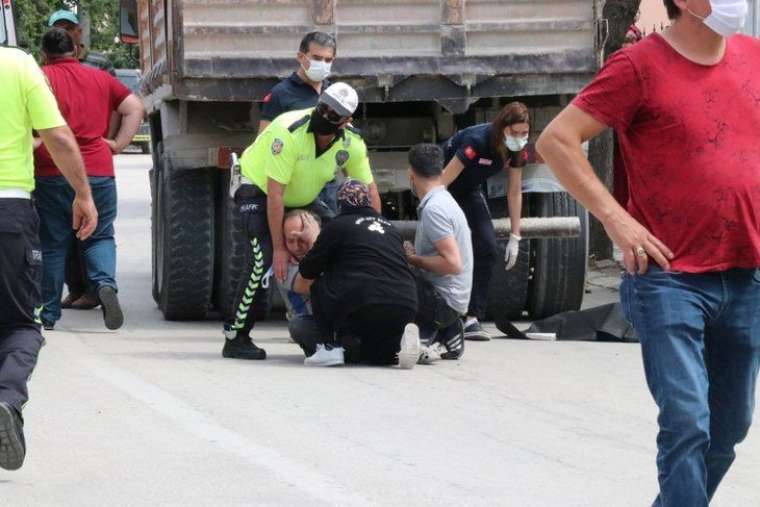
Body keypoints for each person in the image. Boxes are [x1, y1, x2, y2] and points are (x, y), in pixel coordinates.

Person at [536, 1, 760, 505]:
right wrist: (616, 218)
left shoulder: (754, 57)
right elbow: (558, 140)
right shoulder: (639, 65)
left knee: (729, 428)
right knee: (686, 421)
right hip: (669, 277)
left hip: (746, 275)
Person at [222, 82, 381, 360]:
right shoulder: (289, 131)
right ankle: (236, 336)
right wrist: (281, 248)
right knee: (264, 257)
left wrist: (377, 235)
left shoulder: (351, 143)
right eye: (324, 108)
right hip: (257, 187)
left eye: (335, 114)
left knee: (342, 241)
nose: (327, 116)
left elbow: (370, 192)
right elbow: (275, 194)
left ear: (346, 121)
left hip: (302, 193)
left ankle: (340, 318)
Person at [0, 44, 97, 471]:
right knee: (23, 324)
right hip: (9, 211)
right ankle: (6, 399)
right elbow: (57, 135)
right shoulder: (16, 64)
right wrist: (83, 193)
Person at [33, 28, 144, 331]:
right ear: (77, 50)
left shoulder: (40, 78)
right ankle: (105, 284)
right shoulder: (100, 78)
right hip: (98, 169)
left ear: (44, 54)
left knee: (53, 242)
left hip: (52, 171)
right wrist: (119, 143)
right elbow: (135, 107)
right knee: (100, 234)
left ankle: (49, 313)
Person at [291, 179, 420, 368]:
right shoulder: (390, 228)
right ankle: (401, 346)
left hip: (360, 306)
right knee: (377, 351)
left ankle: (330, 348)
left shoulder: (338, 225)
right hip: (405, 306)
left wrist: (314, 240)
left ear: (340, 203)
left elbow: (308, 270)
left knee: (319, 283)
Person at [439, 102, 530, 341]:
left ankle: (472, 317)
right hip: (441, 187)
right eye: (514, 133)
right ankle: (437, 313)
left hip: (469, 190)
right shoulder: (477, 141)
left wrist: (515, 236)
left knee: (488, 248)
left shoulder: (518, 150)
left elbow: (514, 191)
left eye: (524, 133)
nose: (519, 138)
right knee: (448, 246)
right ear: (503, 128)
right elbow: (442, 182)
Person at [48, 9, 116, 311]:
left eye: (70, 27)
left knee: (59, 236)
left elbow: (117, 105)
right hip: (93, 167)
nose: (68, 32)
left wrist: (113, 140)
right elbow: (130, 105)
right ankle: (92, 287)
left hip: (56, 166)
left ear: (79, 34)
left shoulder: (98, 66)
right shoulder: (95, 73)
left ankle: (51, 306)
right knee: (91, 233)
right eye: (61, 28)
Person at [405, 144, 473, 361]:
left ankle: (432, 333)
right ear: (442, 172)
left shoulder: (435, 209)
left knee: (392, 273)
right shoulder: (443, 201)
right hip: (453, 300)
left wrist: (413, 259)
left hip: (444, 301)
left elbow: (453, 264)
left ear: (411, 175)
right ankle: (449, 331)